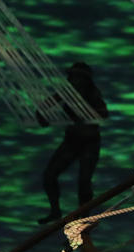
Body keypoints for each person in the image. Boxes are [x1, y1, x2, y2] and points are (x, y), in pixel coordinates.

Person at [37, 62, 109, 224]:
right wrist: (42, 116)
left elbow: (104, 113)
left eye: (77, 77)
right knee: (50, 175)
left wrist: (84, 116)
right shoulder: (66, 93)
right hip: (72, 140)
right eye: (72, 77)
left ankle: (84, 219)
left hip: (89, 142)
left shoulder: (92, 93)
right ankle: (55, 211)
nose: (74, 80)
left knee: (84, 182)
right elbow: (44, 106)